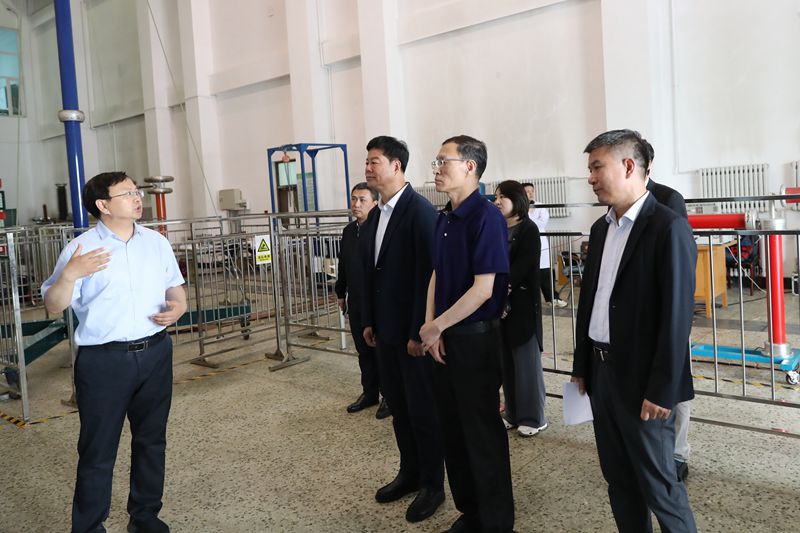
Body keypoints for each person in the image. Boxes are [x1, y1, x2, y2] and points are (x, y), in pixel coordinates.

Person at [42, 172, 187, 533]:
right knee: (98, 449)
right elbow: (53, 305)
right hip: (104, 362)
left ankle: (145, 517)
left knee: (152, 441)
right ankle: (89, 526)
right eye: (127, 194)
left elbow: (175, 288)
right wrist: (69, 275)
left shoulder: (156, 242)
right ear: (103, 205)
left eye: (137, 192)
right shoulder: (80, 250)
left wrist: (179, 307)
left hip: (155, 353)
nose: (138, 198)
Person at [571, 130, 698, 533]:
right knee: (619, 480)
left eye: (597, 167)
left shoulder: (667, 227)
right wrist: (582, 366)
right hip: (602, 373)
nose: (590, 177)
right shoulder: (601, 229)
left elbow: (677, 316)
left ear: (628, 166)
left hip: (642, 381)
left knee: (660, 487)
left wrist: (663, 388)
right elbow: (591, 302)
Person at [420, 135, 515, 533]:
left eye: (444, 161)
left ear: (470, 166)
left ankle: (495, 522)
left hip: (475, 340)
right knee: (453, 430)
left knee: (481, 434)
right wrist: (431, 327)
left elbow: (483, 289)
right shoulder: (445, 217)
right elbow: (437, 273)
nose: (437, 169)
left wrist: (438, 325)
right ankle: (470, 512)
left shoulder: (486, 217)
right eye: (437, 162)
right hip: (444, 338)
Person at [359, 136, 445, 523]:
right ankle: (409, 473)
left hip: (411, 336)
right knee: (399, 410)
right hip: (385, 333)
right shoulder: (377, 214)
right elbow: (373, 275)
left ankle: (432, 485)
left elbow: (429, 275)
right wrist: (369, 321)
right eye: (367, 161)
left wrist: (418, 332)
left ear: (396, 166)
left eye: (374, 161)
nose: (368, 168)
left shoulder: (419, 211)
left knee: (422, 412)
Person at [642, 137, 691, 481]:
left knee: (675, 379)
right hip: (637, 315)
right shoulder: (614, 208)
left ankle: (678, 452)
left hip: (666, 307)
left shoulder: (668, 198)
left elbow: (676, 257)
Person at [494, 180, 547, 438]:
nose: (497, 202)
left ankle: (533, 417)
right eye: (496, 197)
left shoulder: (529, 229)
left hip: (522, 304)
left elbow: (523, 267)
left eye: (502, 197)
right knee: (507, 363)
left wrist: (502, 289)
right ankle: (512, 413)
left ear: (517, 200)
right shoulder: (497, 228)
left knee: (526, 363)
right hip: (498, 303)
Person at [334, 182, 390, 419]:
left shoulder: (380, 230)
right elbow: (343, 264)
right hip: (355, 300)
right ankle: (369, 392)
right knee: (363, 350)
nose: (356, 204)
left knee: (380, 351)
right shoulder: (349, 231)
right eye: (353, 199)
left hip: (376, 301)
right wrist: (340, 292)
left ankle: (389, 396)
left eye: (362, 200)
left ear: (375, 203)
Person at [522, 183, 567, 308]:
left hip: (541, 243)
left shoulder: (540, 205)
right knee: (528, 271)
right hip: (526, 242)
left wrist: (528, 218)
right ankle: (530, 299)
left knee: (545, 272)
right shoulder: (520, 207)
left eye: (532, 191)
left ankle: (552, 298)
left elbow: (542, 223)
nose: (530, 193)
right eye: (527, 191)